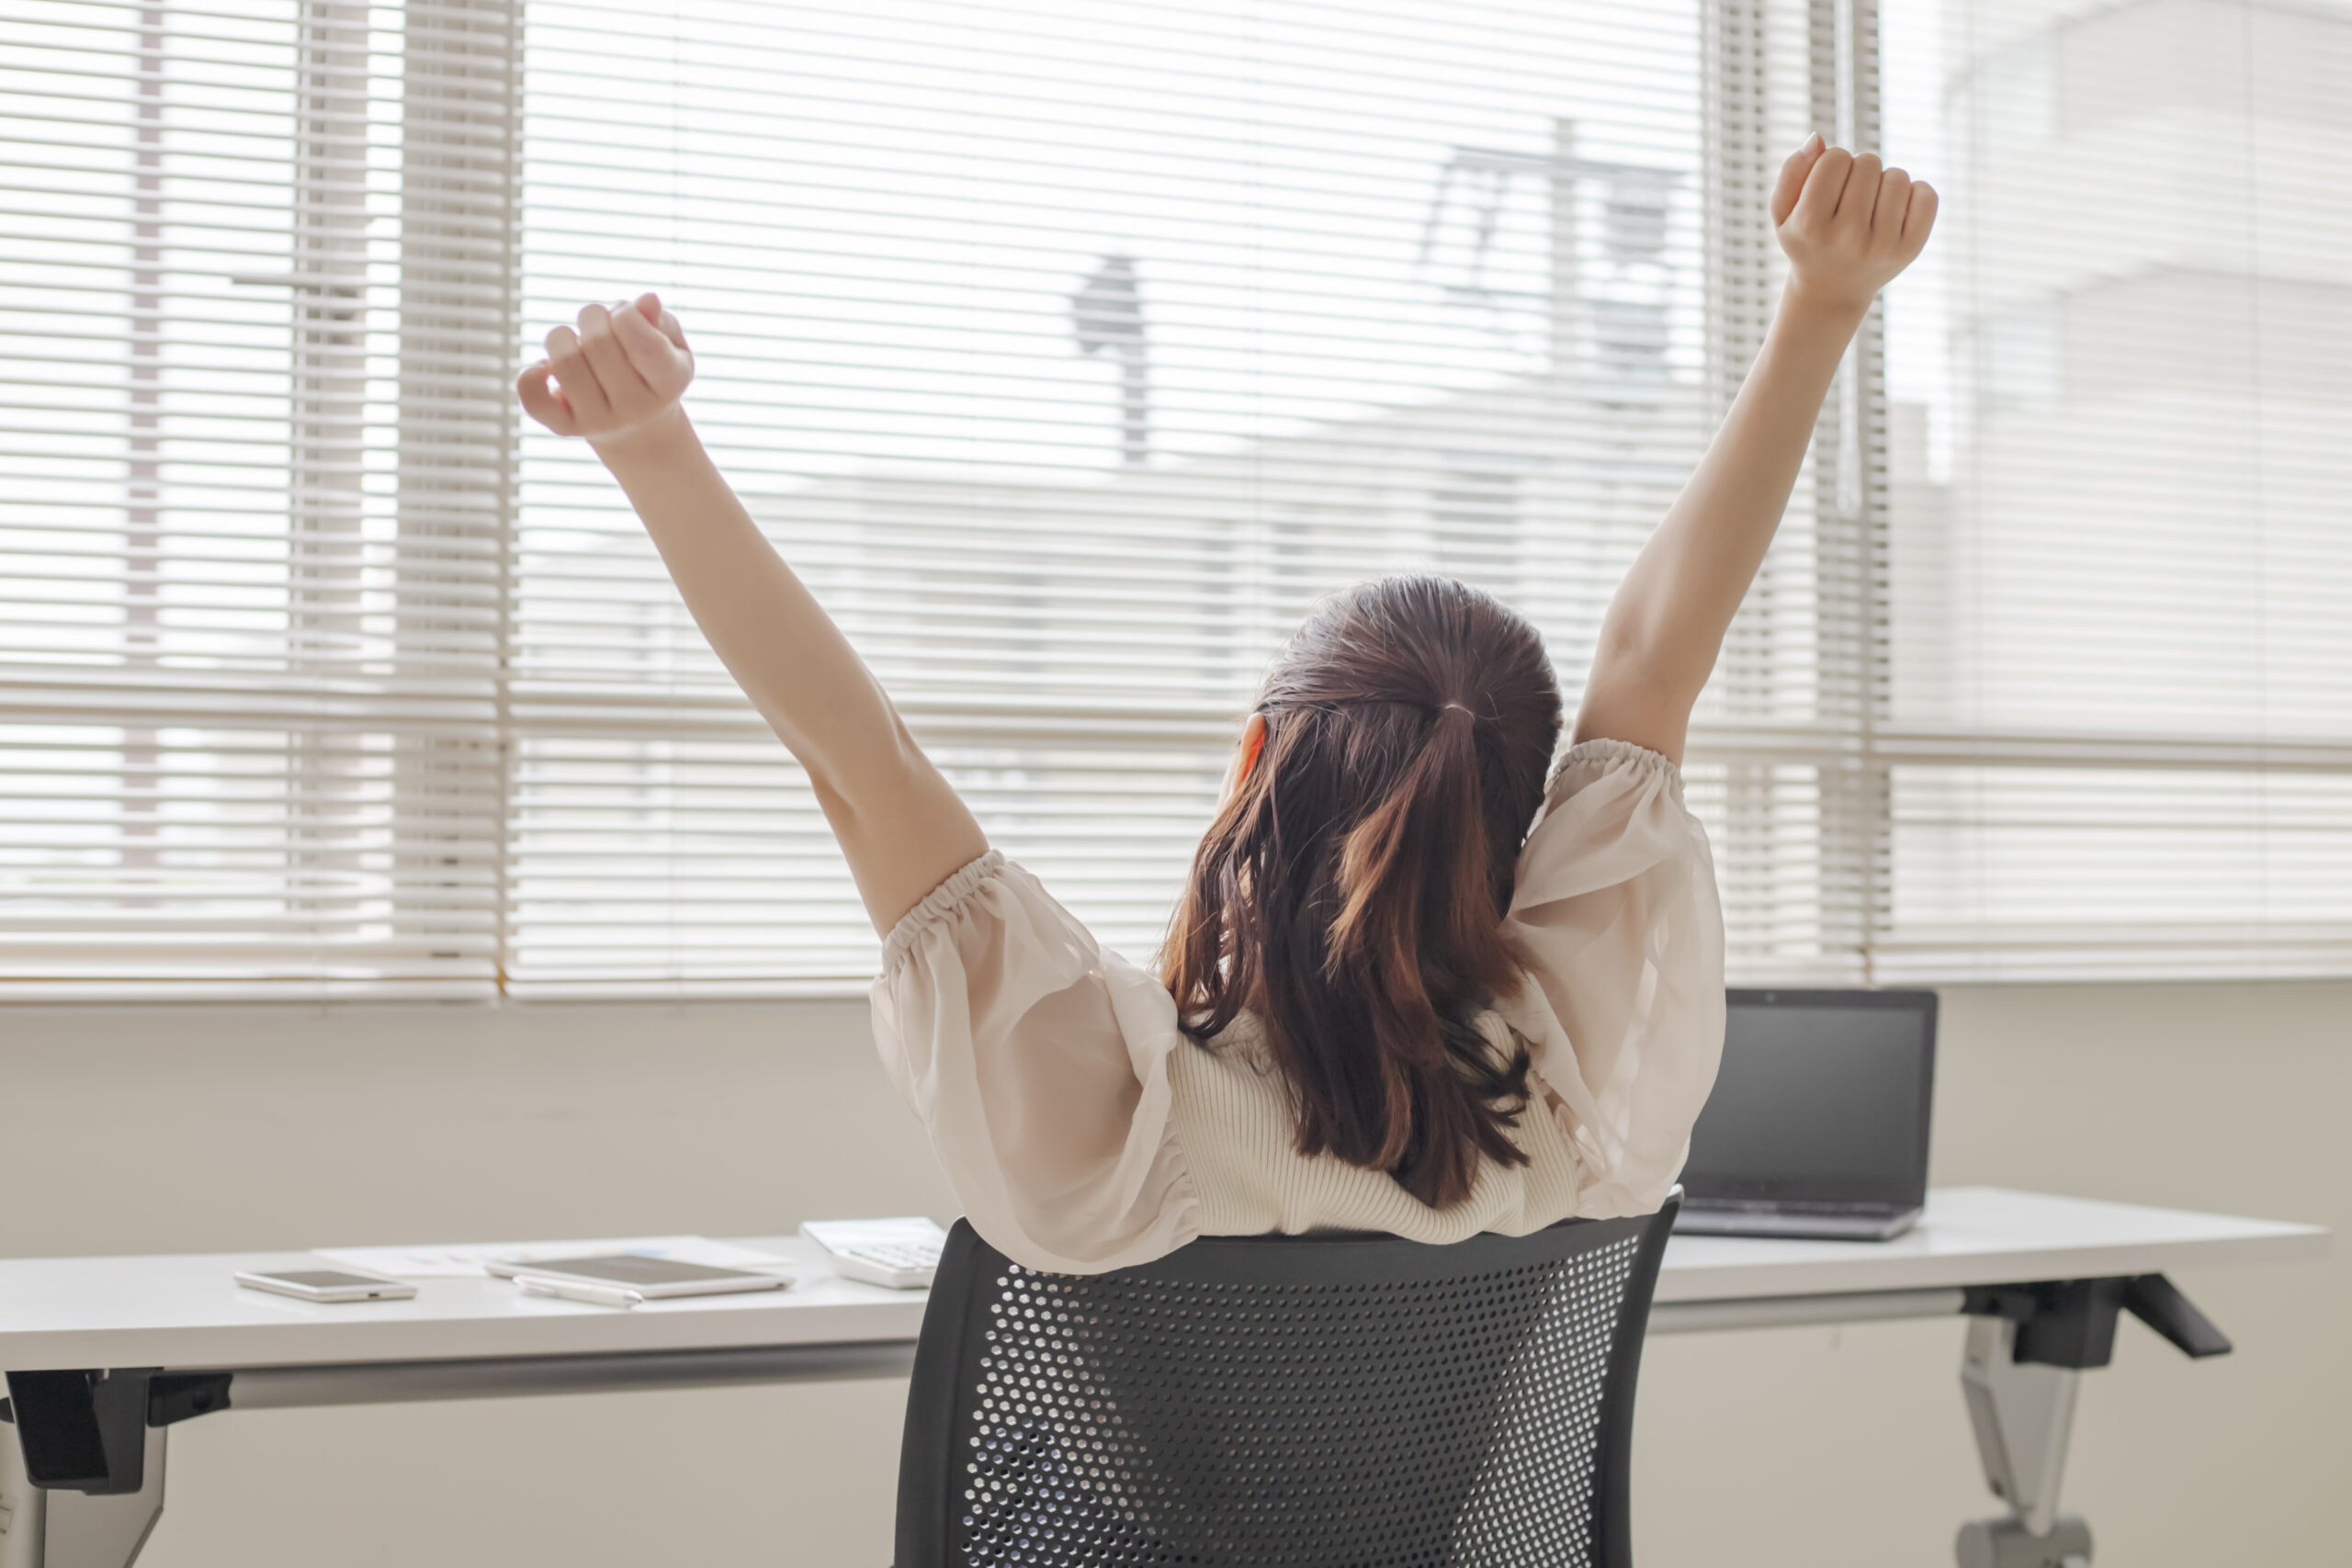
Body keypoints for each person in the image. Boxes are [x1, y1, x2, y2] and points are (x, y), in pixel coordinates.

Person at [518, 135, 1935, 1273]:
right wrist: (1825, 305)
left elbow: (861, 764)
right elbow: (1654, 662)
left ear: (1257, 752)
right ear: (1512, 826)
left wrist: (647, 441)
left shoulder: (1123, 1124)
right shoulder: (1576, 1103)